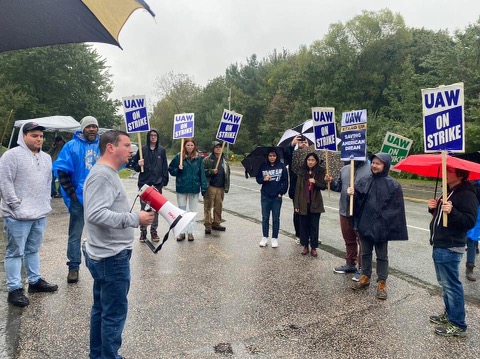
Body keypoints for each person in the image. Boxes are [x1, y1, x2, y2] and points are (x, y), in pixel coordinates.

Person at [83, 130, 155, 358]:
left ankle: (99, 355)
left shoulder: (107, 172)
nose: (131, 149)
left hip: (105, 254)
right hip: (111, 257)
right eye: (126, 145)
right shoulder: (103, 176)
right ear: (110, 148)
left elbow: (106, 208)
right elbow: (95, 214)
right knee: (113, 314)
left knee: (102, 310)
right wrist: (135, 219)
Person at [0, 122, 58, 307]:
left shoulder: (47, 158)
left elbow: (48, 181)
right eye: (34, 135)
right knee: (15, 252)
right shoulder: (11, 156)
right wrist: (15, 205)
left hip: (40, 213)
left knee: (33, 249)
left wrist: (46, 202)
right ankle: (14, 288)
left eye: (41, 136)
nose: (39, 139)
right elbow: (5, 182)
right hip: (17, 215)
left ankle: (34, 281)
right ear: (23, 136)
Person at [349, 153, 408, 300]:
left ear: (385, 165)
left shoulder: (393, 184)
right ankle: (365, 276)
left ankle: (382, 282)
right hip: (365, 224)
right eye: (373, 163)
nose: (374, 166)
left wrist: (384, 223)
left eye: (378, 163)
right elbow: (357, 202)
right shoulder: (364, 180)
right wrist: (352, 194)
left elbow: (396, 209)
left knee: (382, 256)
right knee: (365, 253)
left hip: (382, 227)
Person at [427, 167, 478, 337]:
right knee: (445, 284)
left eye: (449, 171)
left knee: (451, 285)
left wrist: (453, 211)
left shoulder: (466, 194)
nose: (445, 174)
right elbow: (441, 217)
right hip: (440, 244)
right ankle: (450, 315)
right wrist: (433, 208)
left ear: (460, 174)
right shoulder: (449, 191)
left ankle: (458, 324)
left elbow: (469, 221)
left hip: (450, 246)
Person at [53, 116, 100, 284]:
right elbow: (62, 171)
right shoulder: (71, 146)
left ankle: (101, 264)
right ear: (82, 129)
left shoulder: (103, 146)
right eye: (89, 127)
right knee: (75, 234)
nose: (92, 129)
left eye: (94, 126)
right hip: (78, 200)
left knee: (101, 233)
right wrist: (72, 194)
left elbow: (115, 164)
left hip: (99, 200)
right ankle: (73, 267)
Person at [327, 159, 370, 278]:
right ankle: (350, 263)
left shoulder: (370, 169)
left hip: (362, 213)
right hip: (345, 211)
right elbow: (338, 187)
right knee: (349, 239)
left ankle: (363, 269)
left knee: (363, 242)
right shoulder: (345, 169)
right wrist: (331, 182)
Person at [132, 129, 169, 242]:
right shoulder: (142, 149)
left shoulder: (161, 150)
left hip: (157, 184)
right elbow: (135, 166)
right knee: (144, 208)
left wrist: (163, 181)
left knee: (155, 209)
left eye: (155, 135)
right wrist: (139, 164)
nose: (153, 137)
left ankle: (154, 231)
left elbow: (164, 166)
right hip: (144, 184)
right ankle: (143, 232)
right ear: (148, 137)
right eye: (151, 135)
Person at [168, 138, 208, 241]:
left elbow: (202, 173)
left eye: (191, 145)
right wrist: (178, 169)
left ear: (194, 146)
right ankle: (182, 232)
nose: (190, 147)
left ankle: (190, 232)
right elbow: (171, 170)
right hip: (182, 188)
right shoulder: (179, 157)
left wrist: (204, 187)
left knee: (192, 211)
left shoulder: (198, 158)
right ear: (184, 146)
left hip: (194, 188)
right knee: (182, 211)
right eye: (188, 145)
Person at [294, 152, 327, 257]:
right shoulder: (301, 172)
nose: (310, 162)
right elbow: (298, 189)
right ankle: (305, 246)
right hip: (303, 203)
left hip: (315, 203)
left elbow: (323, 186)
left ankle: (313, 247)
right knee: (303, 226)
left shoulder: (321, 172)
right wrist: (296, 205)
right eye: (309, 160)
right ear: (306, 161)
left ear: (316, 161)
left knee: (314, 226)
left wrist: (315, 182)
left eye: (313, 160)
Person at [256, 148, 288, 248]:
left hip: (276, 197)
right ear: (268, 156)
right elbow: (258, 179)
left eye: (274, 156)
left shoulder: (282, 166)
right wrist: (264, 179)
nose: (272, 157)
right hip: (265, 196)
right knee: (265, 217)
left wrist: (281, 193)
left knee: (275, 218)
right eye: (270, 156)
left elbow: (285, 181)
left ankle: (274, 238)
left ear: (276, 156)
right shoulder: (263, 166)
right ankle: (265, 237)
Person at [284, 135, 309, 244]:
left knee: (309, 213)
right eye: (301, 142)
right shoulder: (293, 155)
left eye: (305, 142)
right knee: (297, 212)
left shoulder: (311, 156)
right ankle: (299, 235)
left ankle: (309, 234)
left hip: (309, 189)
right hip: (296, 189)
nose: (303, 143)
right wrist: (292, 144)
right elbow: (285, 154)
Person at [203, 141, 231, 234]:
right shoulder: (207, 160)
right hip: (210, 186)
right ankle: (208, 224)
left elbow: (227, 173)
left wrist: (226, 186)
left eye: (219, 147)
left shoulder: (224, 160)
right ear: (213, 149)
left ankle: (216, 223)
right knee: (208, 206)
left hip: (221, 187)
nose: (218, 149)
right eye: (216, 147)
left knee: (218, 206)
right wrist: (211, 171)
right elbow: (202, 172)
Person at [465, 179, 480, 281]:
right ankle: (469, 267)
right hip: (475, 213)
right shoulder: (473, 181)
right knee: (471, 238)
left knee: (473, 239)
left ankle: (475, 247)